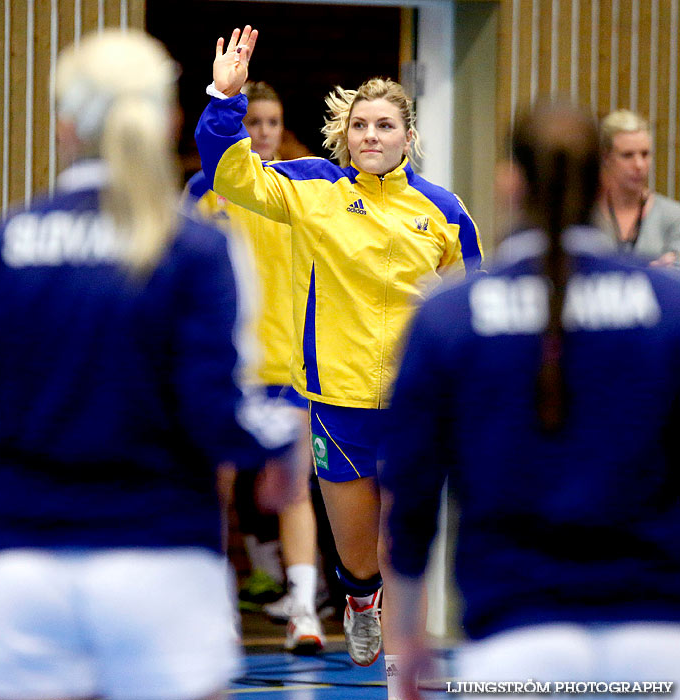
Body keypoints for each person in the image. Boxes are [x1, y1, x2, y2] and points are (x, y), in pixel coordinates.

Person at [0, 29, 303, 700]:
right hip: (160, 564)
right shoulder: (197, 248)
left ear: (63, 127)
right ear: (168, 120)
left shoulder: (2, 244)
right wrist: (280, 437)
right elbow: (214, 410)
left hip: (27, 566)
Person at [194, 25, 483, 695]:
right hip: (337, 401)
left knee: (400, 540)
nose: (371, 135)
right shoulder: (310, 188)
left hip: (415, 404)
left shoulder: (442, 211)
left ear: (408, 137)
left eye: (385, 125)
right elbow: (228, 174)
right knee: (358, 556)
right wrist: (223, 98)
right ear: (345, 135)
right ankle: (358, 601)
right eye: (360, 125)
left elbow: (473, 308)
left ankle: (401, 657)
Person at [383, 102, 680, 700]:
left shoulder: (451, 316)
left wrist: (406, 637)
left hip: (516, 647)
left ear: (509, 182)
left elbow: (411, 496)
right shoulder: (667, 307)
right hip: (657, 641)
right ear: (602, 177)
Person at [185, 80, 327, 654]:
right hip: (225, 369)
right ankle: (215, 607)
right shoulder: (204, 189)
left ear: (283, 127)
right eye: (252, 122)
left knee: (293, 490)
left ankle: (304, 612)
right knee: (214, 491)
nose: (261, 132)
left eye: (271, 122)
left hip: (289, 365)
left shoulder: (302, 188)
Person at [596, 108, 680, 266]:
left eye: (645, 154)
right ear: (606, 157)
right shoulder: (586, 215)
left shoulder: (674, 217)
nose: (639, 165)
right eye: (627, 155)